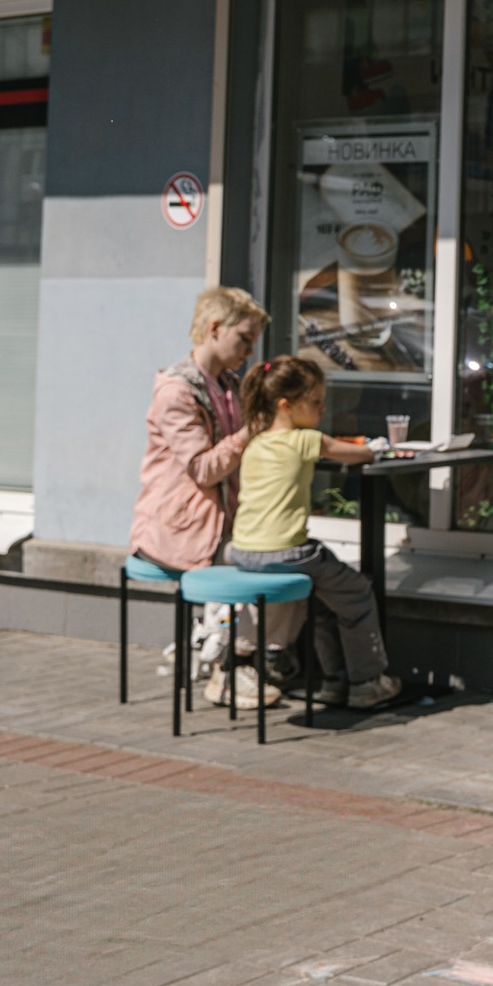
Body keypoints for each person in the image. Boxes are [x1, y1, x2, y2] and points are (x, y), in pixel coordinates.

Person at [133, 285, 295, 708]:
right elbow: (204, 469)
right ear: (215, 328)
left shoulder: (228, 384)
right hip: (179, 529)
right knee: (270, 566)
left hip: (222, 522)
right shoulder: (176, 392)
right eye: (244, 338)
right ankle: (231, 667)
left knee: (290, 558)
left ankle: (251, 659)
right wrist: (250, 431)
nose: (250, 350)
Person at [230, 355, 401, 710]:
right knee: (357, 592)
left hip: (243, 551)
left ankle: (333, 681)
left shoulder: (255, 443)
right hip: (287, 553)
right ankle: (366, 682)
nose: (323, 409)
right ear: (286, 406)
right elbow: (360, 455)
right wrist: (376, 449)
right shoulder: (305, 440)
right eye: (315, 402)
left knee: (323, 599)